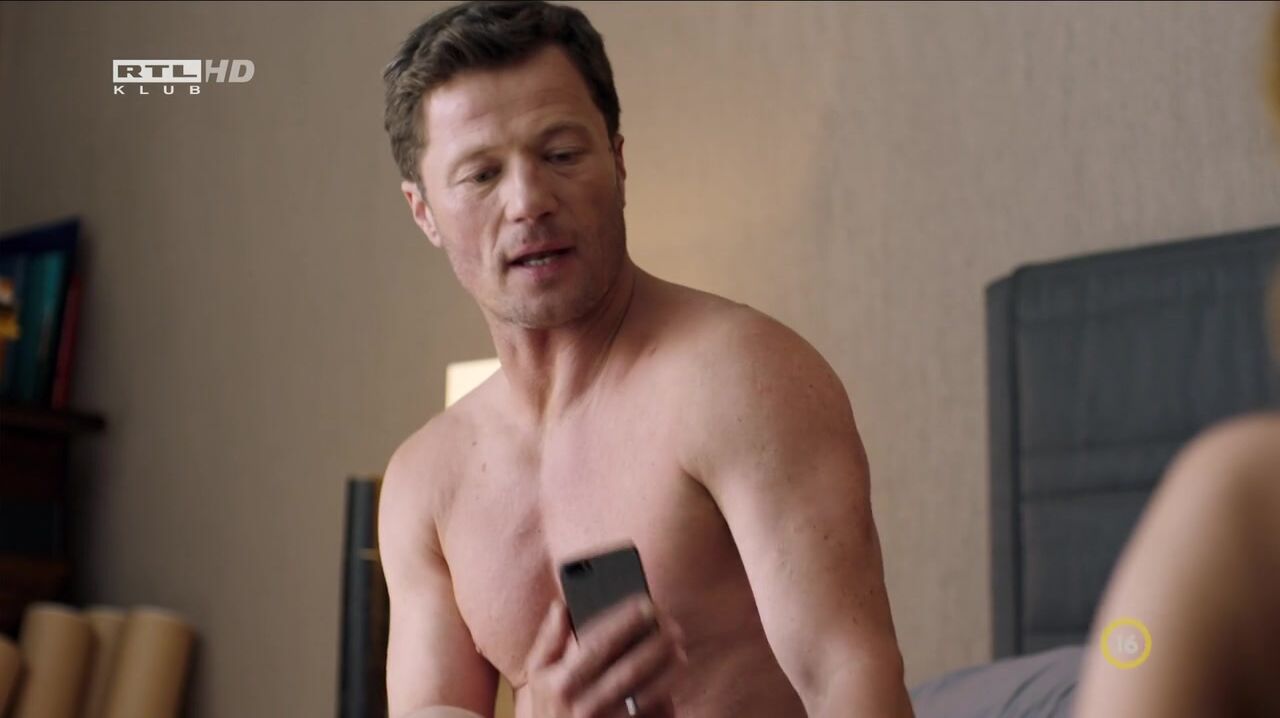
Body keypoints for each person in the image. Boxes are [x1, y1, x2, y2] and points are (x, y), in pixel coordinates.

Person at [376, 2, 914, 718]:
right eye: (480, 175)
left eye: (561, 155)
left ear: (619, 161)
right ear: (423, 212)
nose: (529, 201)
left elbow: (852, 680)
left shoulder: (740, 380)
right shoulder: (426, 481)